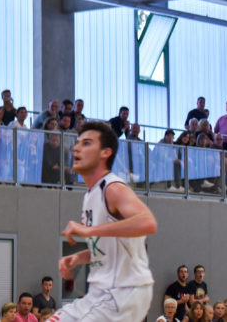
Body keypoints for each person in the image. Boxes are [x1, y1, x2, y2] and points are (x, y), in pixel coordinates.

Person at [53, 122, 157, 322]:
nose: (76, 148)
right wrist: (78, 258)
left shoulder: (113, 188)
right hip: (101, 294)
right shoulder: (90, 195)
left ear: (105, 153)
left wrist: (89, 232)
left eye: (86, 143)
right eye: (77, 143)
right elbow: (109, 249)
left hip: (121, 292)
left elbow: (148, 222)